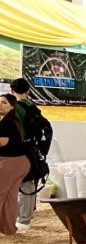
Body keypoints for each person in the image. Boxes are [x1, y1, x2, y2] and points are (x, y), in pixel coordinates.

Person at [11, 78, 42, 230]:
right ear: (28, 91)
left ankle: (22, 219)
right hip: (32, 150)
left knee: (19, 185)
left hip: (17, 150)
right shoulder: (34, 108)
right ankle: (27, 217)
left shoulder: (15, 108)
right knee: (29, 183)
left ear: (12, 92)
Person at [0, 94, 30, 236]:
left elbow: (3, 142)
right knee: (10, 197)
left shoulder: (6, 122)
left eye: (4, 103)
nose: (0, 105)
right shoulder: (14, 120)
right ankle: (9, 228)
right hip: (21, 162)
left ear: (12, 106)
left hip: (10, 163)